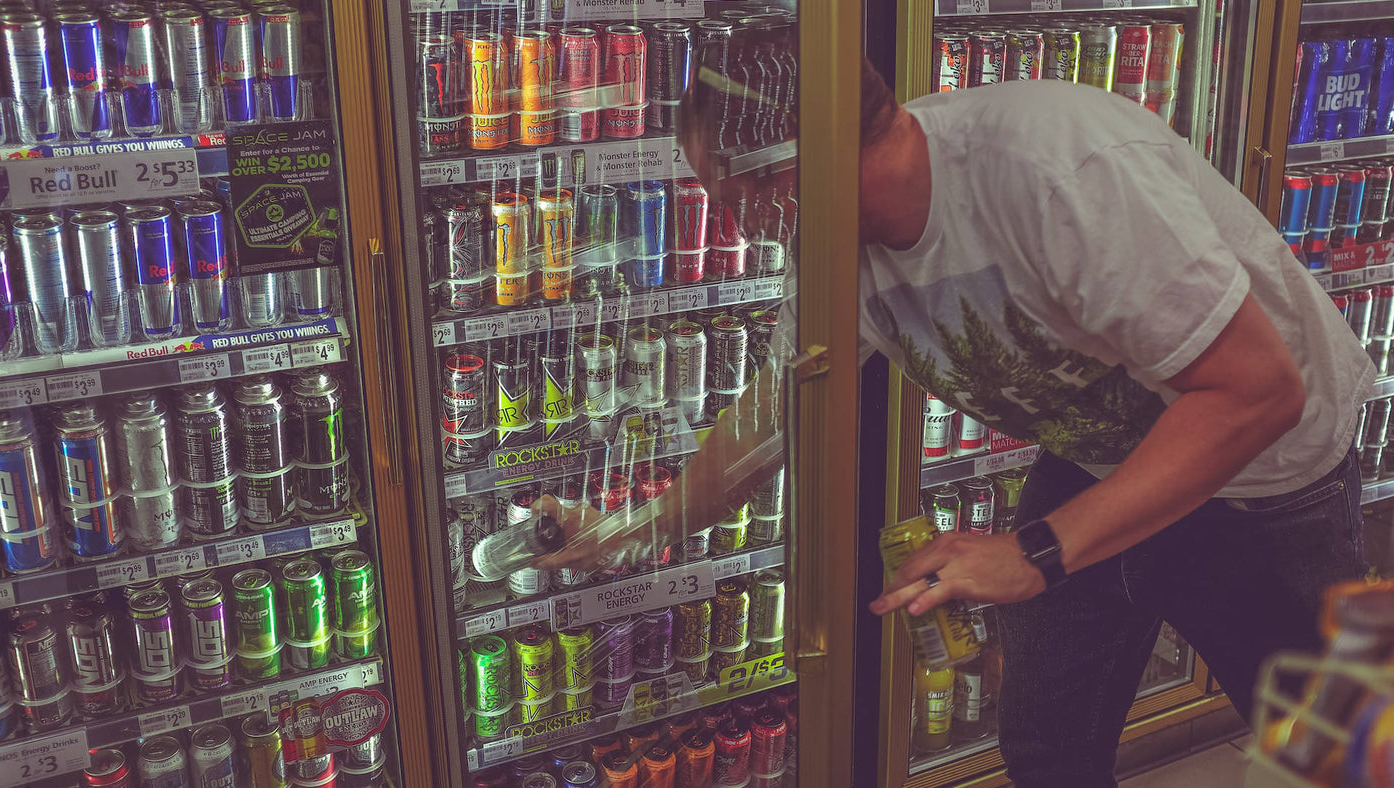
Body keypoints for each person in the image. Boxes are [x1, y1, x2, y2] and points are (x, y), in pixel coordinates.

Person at [542, 53, 1371, 787]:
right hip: (1096, 463)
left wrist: (1035, 552)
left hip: (1264, 478)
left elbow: (1259, 393)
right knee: (1047, 750)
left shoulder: (1054, 171)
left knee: (1327, 752)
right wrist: (632, 529)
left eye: (736, 200)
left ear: (788, 169)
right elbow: (776, 414)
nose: (735, 230)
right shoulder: (836, 241)